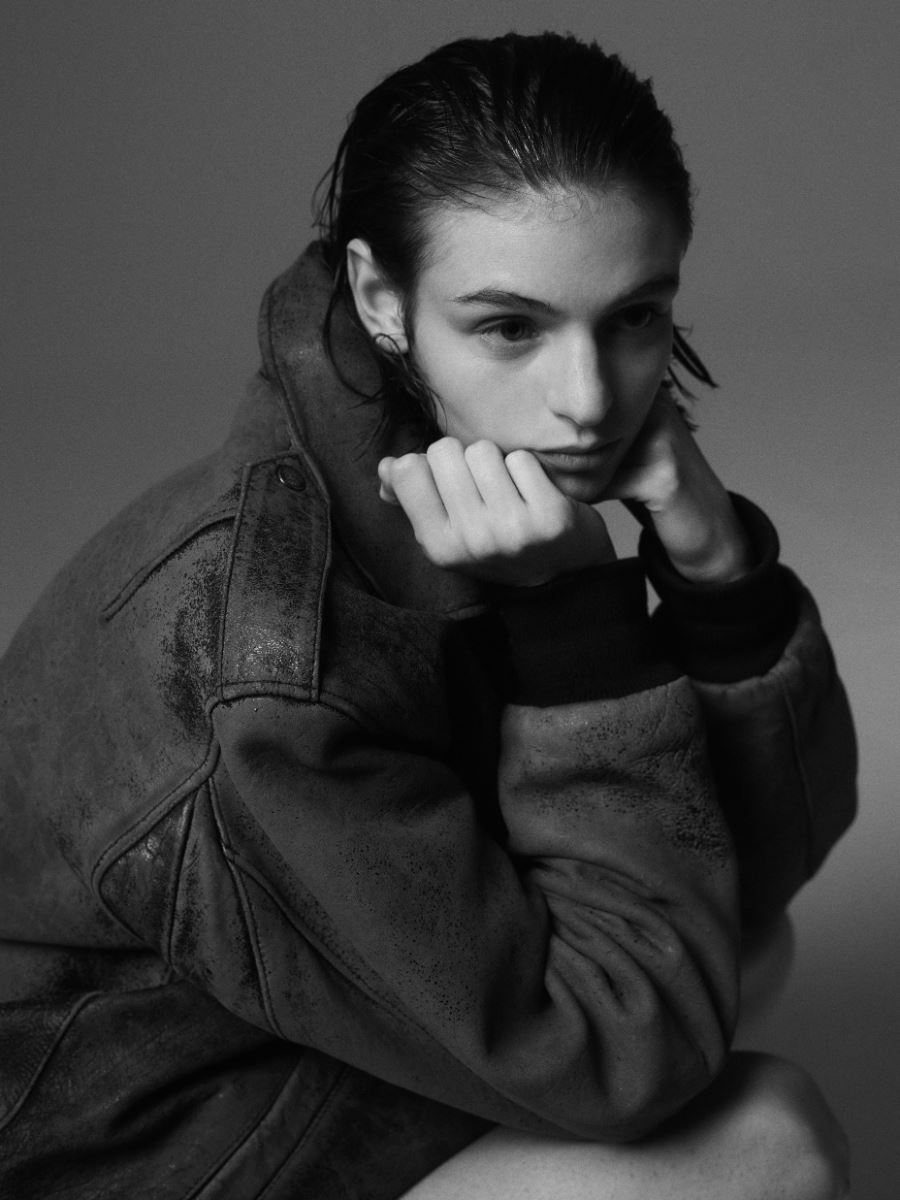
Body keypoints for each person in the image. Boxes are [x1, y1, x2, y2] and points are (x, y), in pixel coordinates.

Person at [0, 30, 857, 1200]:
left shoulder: (451, 475)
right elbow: (627, 1045)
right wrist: (578, 628)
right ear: (381, 299)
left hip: (263, 1030)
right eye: (511, 327)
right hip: (128, 1139)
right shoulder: (271, 674)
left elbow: (748, 863)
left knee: (745, 948)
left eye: (634, 317)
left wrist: (714, 566)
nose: (587, 400)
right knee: (772, 1146)